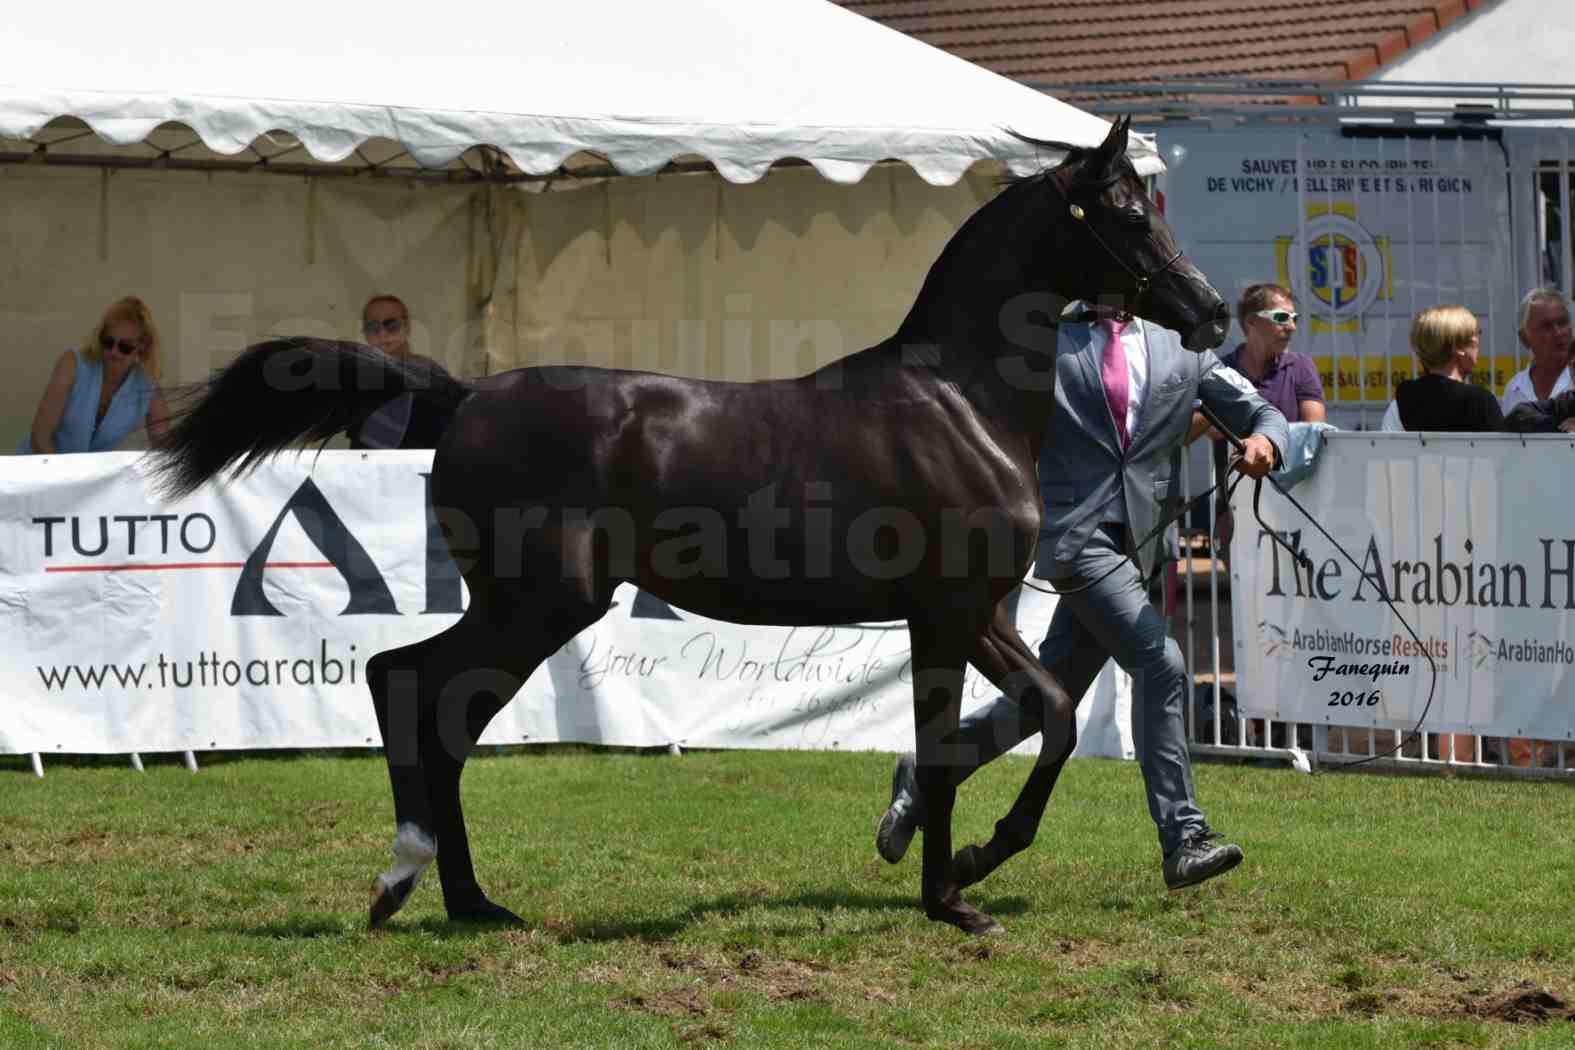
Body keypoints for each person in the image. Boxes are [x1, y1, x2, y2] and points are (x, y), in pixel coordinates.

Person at [875, 304, 1289, 892]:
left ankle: (926, 774)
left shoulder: (1183, 347)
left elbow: (1261, 410)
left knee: (1049, 698)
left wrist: (1265, 442)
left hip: (1142, 546)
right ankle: (1184, 837)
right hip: (1075, 538)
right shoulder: (1049, 341)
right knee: (1160, 662)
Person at [19, 296, 169, 454]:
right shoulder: (72, 364)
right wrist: (64, 477)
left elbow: (164, 448)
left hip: (86, 477)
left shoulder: (147, 386)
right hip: (39, 468)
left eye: (125, 347)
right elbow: (40, 436)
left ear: (143, 347)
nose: (114, 352)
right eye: (108, 342)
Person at [351, 294, 457, 450]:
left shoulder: (431, 374)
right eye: (373, 327)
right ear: (365, 333)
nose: (382, 334)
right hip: (365, 467)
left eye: (391, 324)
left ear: (407, 328)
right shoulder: (355, 379)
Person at [1378, 306, 1503, 433]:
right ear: (1458, 346)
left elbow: (1388, 450)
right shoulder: (1482, 403)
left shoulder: (1401, 403)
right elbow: (1503, 450)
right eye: (1476, 335)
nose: (1478, 343)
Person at [1499, 288, 1571, 415]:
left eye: (1563, 323)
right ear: (1524, 338)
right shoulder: (1514, 389)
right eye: (1546, 326)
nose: (1558, 333)